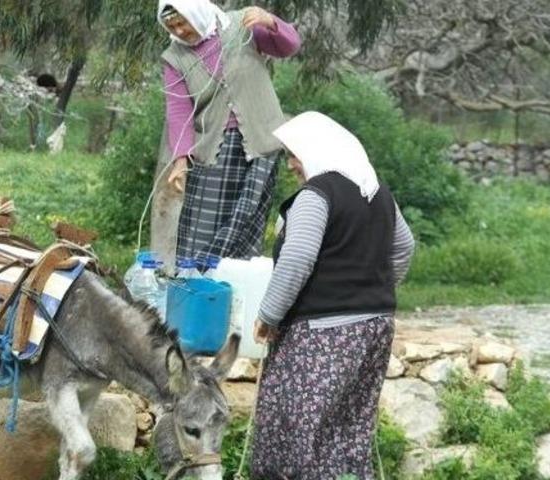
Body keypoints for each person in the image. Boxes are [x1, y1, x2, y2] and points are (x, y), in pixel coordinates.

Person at [251, 111, 416, 480]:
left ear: (317, 150)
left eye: (295, 154)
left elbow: (297, 258)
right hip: (374, 327)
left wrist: (269, 314)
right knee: (348, 430)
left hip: (323, 333)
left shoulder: (317, 194)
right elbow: (404, 248)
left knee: (297, 431)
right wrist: (372, 292)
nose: (292, 164)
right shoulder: (377, 193)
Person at [156, 0, 301, 267]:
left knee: (246, 220)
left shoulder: (241, 24)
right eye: (172, 26)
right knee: (202, 226)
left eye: (182, 23)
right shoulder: (174, 57)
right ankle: (194, 280)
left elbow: (289, 46)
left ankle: (233, 286)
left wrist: (270, 22)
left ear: (196, 13)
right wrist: (180, 159)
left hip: (260, 142)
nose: (178, 31)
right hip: (213, 149)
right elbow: (179, 112)